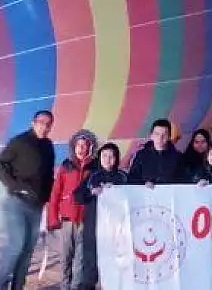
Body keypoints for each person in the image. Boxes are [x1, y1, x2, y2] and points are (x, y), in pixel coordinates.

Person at [0, 110, 56, 290]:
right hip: (17, 202)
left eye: (48, 123)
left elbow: (49, 175)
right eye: (41, 122)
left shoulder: (48, 146)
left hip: (37, 206)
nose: (44, 126)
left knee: (28, 250)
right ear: (33, 122)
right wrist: (13, 185)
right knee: (16, 245)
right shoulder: (20, 141)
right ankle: (1, 287)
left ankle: (18, 286)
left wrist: (50, 198)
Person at [47, 129, 97, 290]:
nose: (81, 148)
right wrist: (53, 218)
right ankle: (64, 286)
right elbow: (55, 193)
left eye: (85, 145)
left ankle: (75, 287)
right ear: (74, 147)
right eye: (78, 145)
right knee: (66, 256)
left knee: (80, 259)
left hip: (85, 220)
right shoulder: (66, 166)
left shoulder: (95, 167)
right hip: (67, 220)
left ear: (90, 147)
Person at [74, 143, 129, 290]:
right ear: (100, 158)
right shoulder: (92, 176)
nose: (108, 159)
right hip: (94, 230)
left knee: (115, 270)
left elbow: (135, 195)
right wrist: (91, 192)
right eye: (104, 155)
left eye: (111, 156)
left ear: (116, 158)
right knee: (90, 270)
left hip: (117, 232)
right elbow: (77, 196)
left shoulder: (123, 177)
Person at [128, 119, 182, 186]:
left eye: (164, 135)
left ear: (169, 137)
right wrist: (144, 183)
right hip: (146, 194)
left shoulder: (178, 157)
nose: (160, 138)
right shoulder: (141, 155)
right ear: (151, 135)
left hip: (170, 195)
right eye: (157, 134)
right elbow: (132, 178)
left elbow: (185, 179)